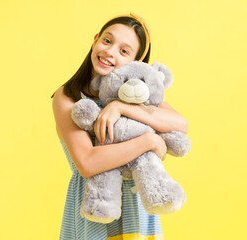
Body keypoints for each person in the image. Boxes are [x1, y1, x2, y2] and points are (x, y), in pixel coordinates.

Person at [51, 12, 188, 240]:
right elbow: (87, 162)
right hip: (97, 203)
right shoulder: (68, 97)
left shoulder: (134, 94)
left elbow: (181, 124)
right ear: (95, 40)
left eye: (124, 51)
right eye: (107, 40)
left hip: (136, 200)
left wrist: (121, 108)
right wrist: (150, 141)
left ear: (135, 63)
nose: (110, 52)